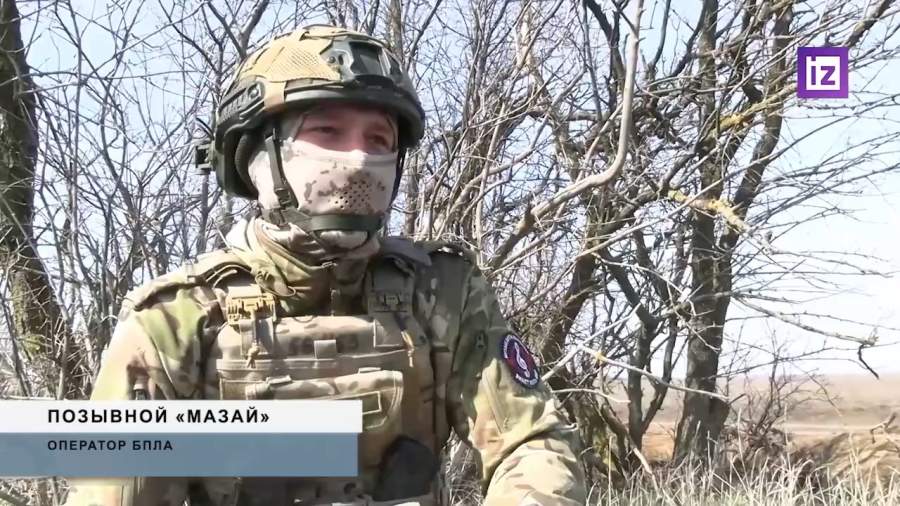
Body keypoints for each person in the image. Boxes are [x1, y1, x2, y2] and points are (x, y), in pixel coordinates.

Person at [64, 25, 586, 506]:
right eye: (328, 132)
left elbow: (533, 443)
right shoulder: (176, 318)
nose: (357, 161)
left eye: (377, 140)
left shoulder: (441, 291)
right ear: (256, 155)